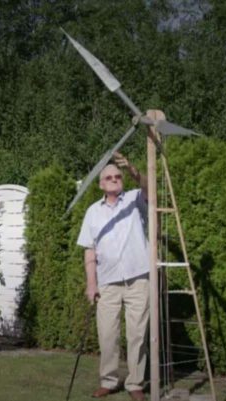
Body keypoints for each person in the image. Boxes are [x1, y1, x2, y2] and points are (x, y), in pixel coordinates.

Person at [76, 152, 150, 401]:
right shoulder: (92, 213)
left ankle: (135, 383)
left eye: (118, 176)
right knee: (107, 334)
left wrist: (130, 167)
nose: (115, 179)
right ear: (101, 184)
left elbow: (149, 186)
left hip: (138, 278)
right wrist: (91, 284)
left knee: (137, 334)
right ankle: (108, 381)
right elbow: (89, 251)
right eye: (109, 177)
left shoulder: (135, 199)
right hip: (107, 282)